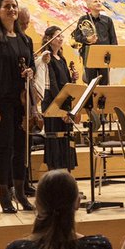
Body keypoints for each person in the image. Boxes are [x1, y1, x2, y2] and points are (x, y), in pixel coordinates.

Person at [0, 0, 37, 213]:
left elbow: (30, 66)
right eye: (7, 6)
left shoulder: (25, 40)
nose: (12, 9)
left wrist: (31, 71)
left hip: (22, 101)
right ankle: (4, 195)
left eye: (14, 6)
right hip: (1, 101)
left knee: (22, 148)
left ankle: (21, 194)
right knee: (5, 148)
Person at [37, 26, 78, 172]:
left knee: (67, 139)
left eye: (62, 36)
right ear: (48, 39)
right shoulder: (46, 58)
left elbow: (66, 84)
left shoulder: (62, 59)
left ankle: (66, 177)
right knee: (54, 139)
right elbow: (53, 85)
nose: (61, 38)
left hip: (64, 103)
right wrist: (60, 108)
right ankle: (54, 176)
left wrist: (73, 79)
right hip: (53, 104)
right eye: (57, 36)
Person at [72, 0, 117, 85]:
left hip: (104, 56)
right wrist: (87, 40)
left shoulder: (108, 20)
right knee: (91, 84)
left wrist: (113, 57)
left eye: (99, 1)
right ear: (89, 5)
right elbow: (77, 37)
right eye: (95, 1)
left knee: (104, 83)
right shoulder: (83, 19)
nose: (99, 3)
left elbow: (113, 39)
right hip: (89, 55)